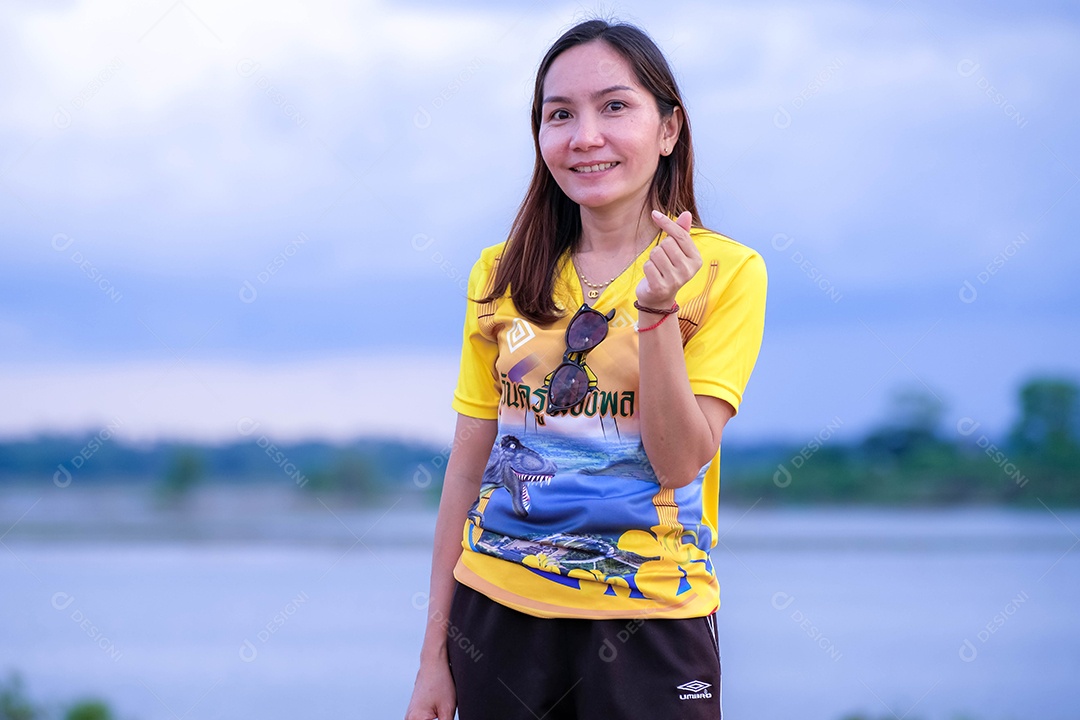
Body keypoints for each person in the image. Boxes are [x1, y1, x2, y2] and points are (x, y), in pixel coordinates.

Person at [404, 18, 766, 720]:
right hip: (495, 616)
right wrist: (432, 656)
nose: (585, 136)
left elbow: (681, 461)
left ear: (669, 129)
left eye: (615, 106)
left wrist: (658, 316)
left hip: (651, 620)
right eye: (559, 115)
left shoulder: (727, 272)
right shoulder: (498, 273)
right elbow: (467, 467)